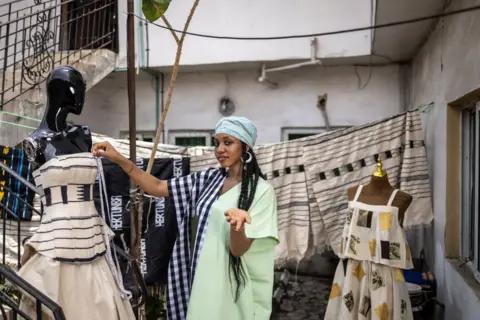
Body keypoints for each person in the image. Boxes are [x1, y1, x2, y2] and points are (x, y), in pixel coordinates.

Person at [92, 116, 279, 320]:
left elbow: (238, 249)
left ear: (246, 147)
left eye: (228, 142)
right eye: (217, 142)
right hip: (201, 279)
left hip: (231, 287)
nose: (220, 149)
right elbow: (156, 187)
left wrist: (237, 227)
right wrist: (118, 158)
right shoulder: (208, 179)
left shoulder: (261, 192)